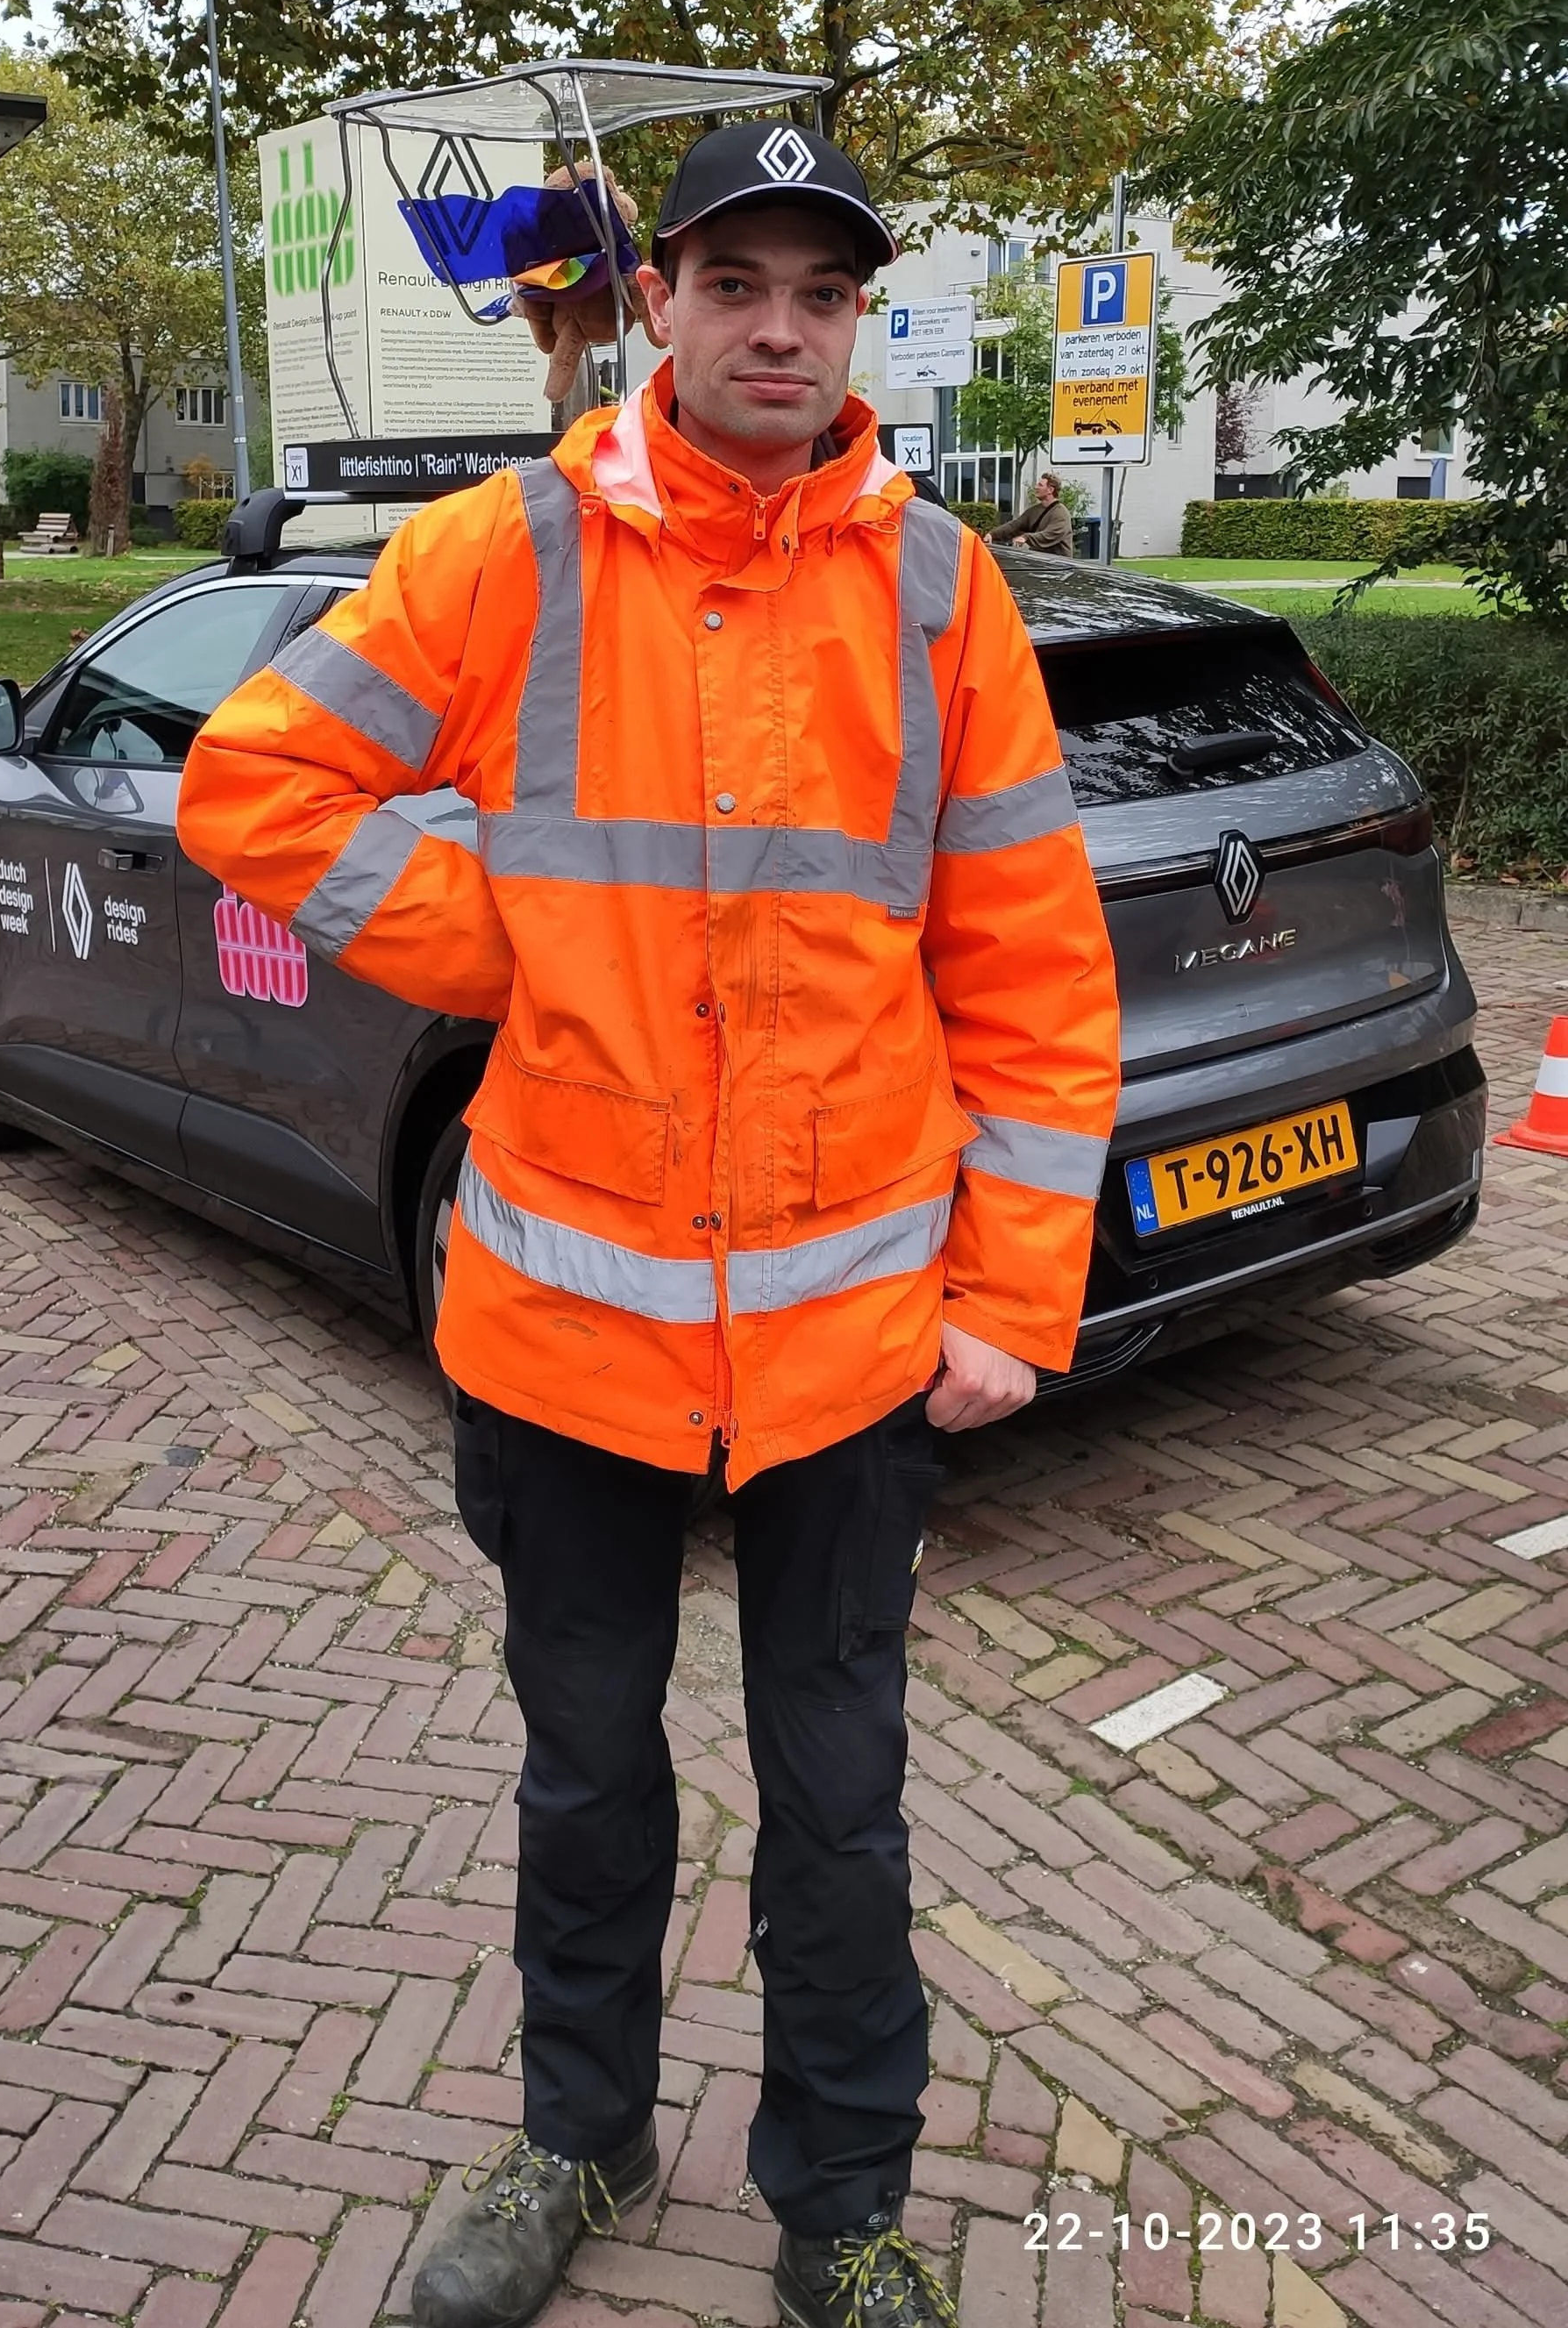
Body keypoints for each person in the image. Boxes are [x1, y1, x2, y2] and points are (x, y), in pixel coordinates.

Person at [176, 121, 1121, 2328]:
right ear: (661, 301)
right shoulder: (504, 552)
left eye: (821, 290)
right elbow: (252, 780)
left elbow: (1031, 968)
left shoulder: (936, 586)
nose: (777, 327)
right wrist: (496, 939)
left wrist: (1013, 1294)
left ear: (853, 319)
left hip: (847, 1340)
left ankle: (844, 2206)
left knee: (840, 1805)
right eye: (736, 284)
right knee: (586, 1773)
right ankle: (575, 2138)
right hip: (563, 1323)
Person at [991, 471, 1074, 556]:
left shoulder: (1061, 513)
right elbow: (1015, 525)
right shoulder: (1034, 510)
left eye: (1040, 485)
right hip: (1040, 561)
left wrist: (1026, 538)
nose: (1036, 487)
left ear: (1050, 490)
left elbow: (1049, 535)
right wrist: (992, 535)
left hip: (1059, 565)